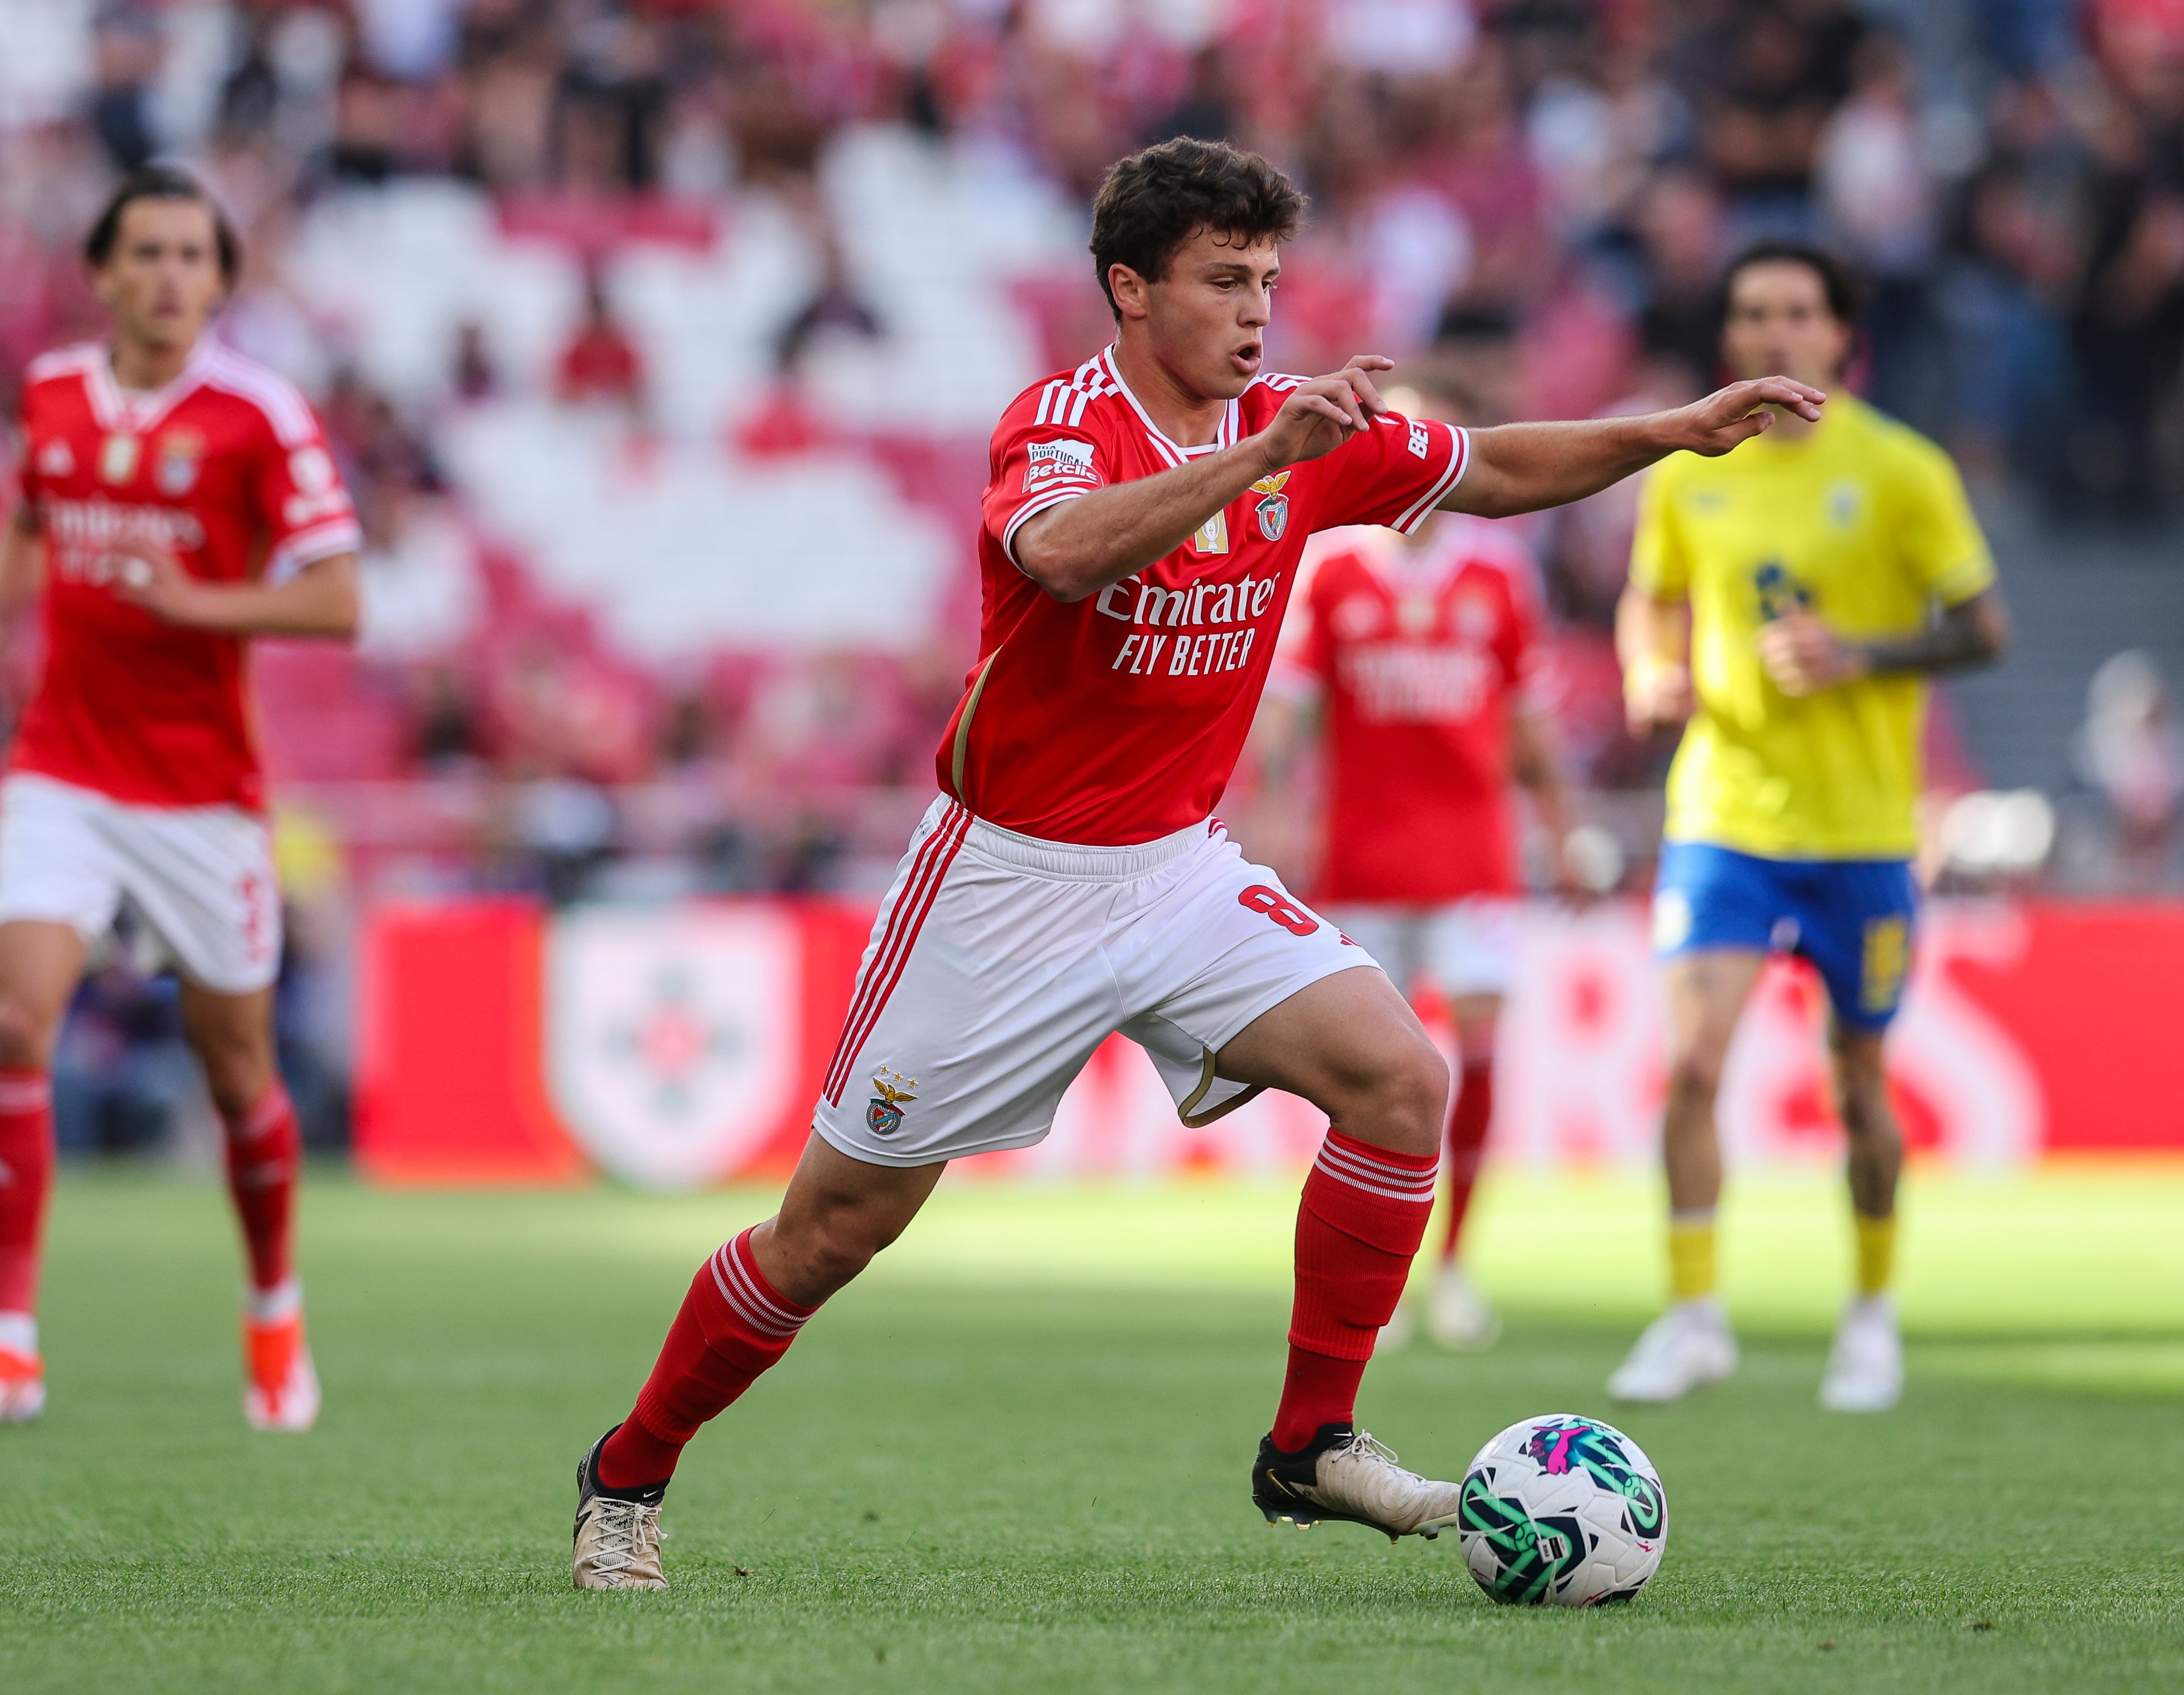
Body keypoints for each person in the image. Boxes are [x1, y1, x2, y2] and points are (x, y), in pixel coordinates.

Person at [567, 137, 1823, 1590]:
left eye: (1268, 282)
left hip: (1169, 869)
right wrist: (1261, 455)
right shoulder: (1062, 420)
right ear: (1128, 290)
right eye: (1222, 282)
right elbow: (1062, 557)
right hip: (1003, 885)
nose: (1253, 312)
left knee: (1402, 1081)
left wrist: (1670, 430)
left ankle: (1309, 1443)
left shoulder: (1298, 428)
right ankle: (627, 1472)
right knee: (829, 1231)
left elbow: (1492, 469)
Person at [0, 165, 363, 1431]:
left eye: (191, 256)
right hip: (63, 769)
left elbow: (338, 596)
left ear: (218, 279)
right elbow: (34, 520)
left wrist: (195, 601)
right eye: (142, 253)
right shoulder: (50, 394)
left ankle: (272, 1309)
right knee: (17, 1023)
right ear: (100, 271)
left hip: (204, 795)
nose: (165, 277)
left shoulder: (260, 415)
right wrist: (3, 617)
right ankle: (8, 1338)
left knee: (238, 1073)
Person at [1610, 240, 2007, 1414]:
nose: (1772, 333)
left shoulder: (1900, 469)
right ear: (1729, 335)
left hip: (1862, 830)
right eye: (1751, 314)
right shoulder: (1689, 470)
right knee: (1691, 1065)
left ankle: (1871, 1316)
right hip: (1724, 814)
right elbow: (1653, 596)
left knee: (1859, 1083)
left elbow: (1983, 628)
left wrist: (1862, 655)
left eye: (1795, 313)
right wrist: (1647, 667)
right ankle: (1691, 1315)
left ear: (1840, 335)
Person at [1256, 381, 1579, 1352]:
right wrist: (1268, 809)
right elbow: (1286, 715)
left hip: (1475, 858)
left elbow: (1527, 723)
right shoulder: (1331, 570)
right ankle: (1371, 1279)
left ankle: (1454, 1269)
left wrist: (1559, 828)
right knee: (1365, 1081)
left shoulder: (1501, 574)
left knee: (1475, 1061)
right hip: (1359, 861)